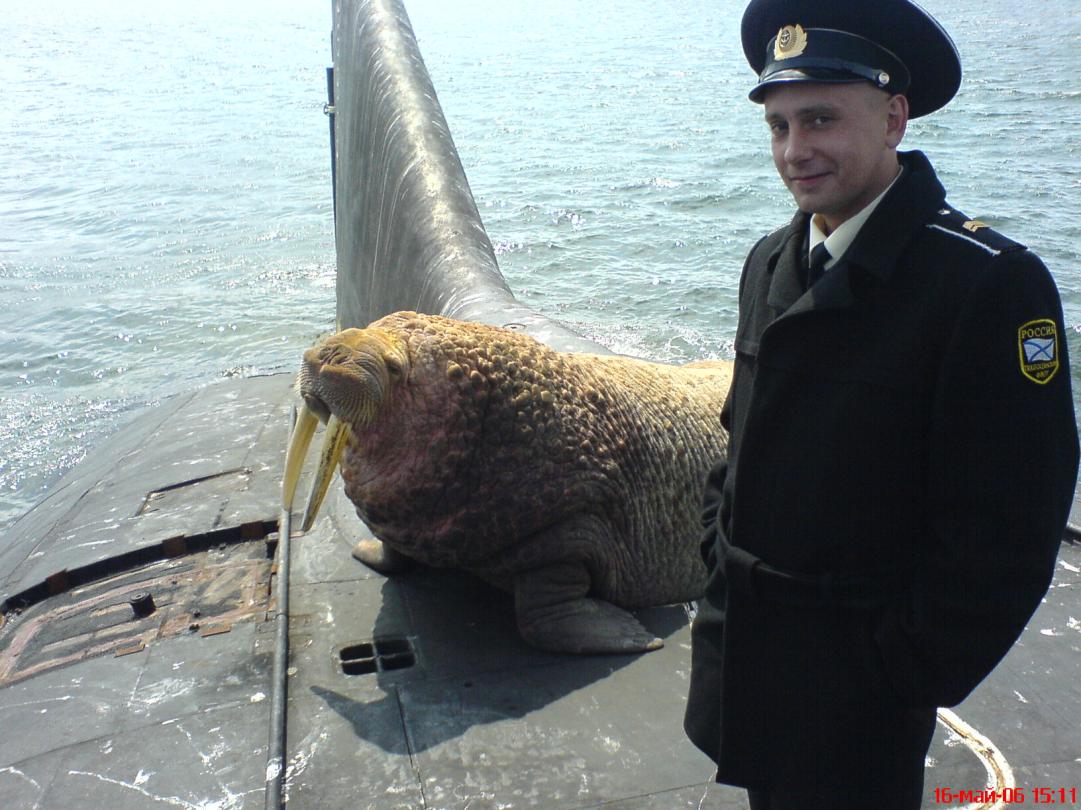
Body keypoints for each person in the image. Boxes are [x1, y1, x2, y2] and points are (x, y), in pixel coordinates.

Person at [683, 1, 1080, 808]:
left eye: (821, 119)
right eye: (780, 126)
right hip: (749, 653)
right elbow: (743, 438)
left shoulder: (984, 283)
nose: (795, 151)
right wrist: (713, 558)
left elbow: (1011, 520)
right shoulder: (770, 260)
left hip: (860, 685)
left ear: (894, 117)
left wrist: (904, 668)